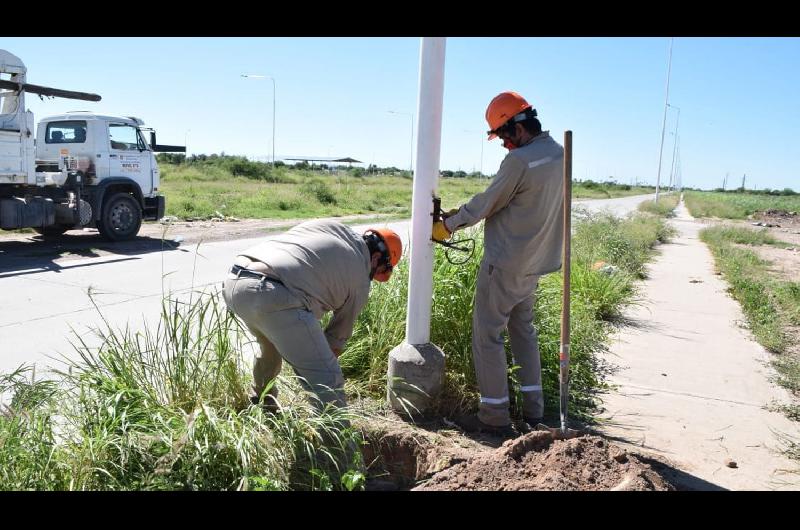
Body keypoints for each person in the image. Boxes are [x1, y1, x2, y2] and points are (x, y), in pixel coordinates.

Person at [432, 91, 564, 438]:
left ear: (517, 128)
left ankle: (494, 418)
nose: (504, 145)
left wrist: (448, 224)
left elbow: (488, 202)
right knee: (524, 333)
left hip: (505, 263)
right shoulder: (558, 155)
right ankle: (535, 415)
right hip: (534, 264)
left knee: (487, 336)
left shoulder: (520, 161)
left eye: (504, 137)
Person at [222, 220, 402, 413]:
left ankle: (262, 406)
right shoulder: (360, 280)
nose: (374, 277)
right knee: (328, 377)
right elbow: (333, 344)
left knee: (270, 347)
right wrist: (316, 367)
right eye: (382, 271)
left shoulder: (331, 227)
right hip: (273, 293)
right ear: (376, 258)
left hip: (236, 282)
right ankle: (337, 441)